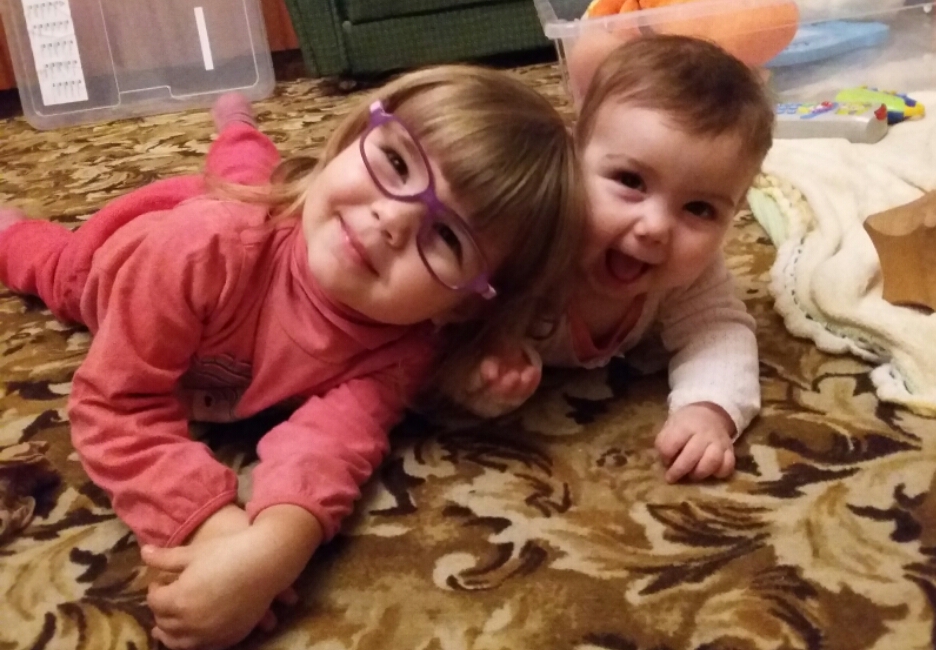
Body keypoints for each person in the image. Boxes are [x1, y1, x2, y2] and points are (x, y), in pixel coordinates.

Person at [0, 65, 583, 650]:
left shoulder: (402, 348)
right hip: (125, 254)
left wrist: (276, 546)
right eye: (396, 162)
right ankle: (22, 223)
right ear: (352, 135)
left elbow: (331, 448)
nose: (392, 218)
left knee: (252, 174)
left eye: (449, 237)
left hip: (267, 213)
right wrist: (210, 524)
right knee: (49, 265)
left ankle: (239, 129)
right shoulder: (201, 247)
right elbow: (116, 404)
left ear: (463, 308)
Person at [457, 35, 774, 485]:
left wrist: (709, 410)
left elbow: (718, 331)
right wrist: (477, 365)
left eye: (700, 209)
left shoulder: (693, 272)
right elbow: (442, 314)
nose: (655, 227)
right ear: (572, 158)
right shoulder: (534, 235)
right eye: (631, 181)